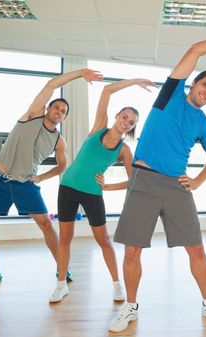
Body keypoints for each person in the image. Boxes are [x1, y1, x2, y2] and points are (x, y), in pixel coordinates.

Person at [107, 32, 206, 333]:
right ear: (193, 83)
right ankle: (130, 306)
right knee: (131, 251)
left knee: (196, 250)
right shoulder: (170, 96)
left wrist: (197, 181)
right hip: (143, 180)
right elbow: (194, 49)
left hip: (176, 188)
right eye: (205, 84)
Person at [0, 68, 104, 288]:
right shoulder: (31, 116)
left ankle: (62, 267)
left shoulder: (59, 141)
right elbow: (52, 84)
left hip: (25, 184)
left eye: (63, 111)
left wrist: (41, 178)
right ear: (48, 109)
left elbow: (63, 165)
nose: (59, 112)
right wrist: (80, 73)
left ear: (64, 118)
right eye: (56, 107)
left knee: (46, 225)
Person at [48, 78, 157, 303]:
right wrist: (136, 81)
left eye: (131, 122)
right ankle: (61, 284)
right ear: (117, 116)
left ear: (133, 127)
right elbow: (107, 90)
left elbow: (133, 181)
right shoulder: (99, 127)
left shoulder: (124, 150)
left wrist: (107, 187)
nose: (126, 122)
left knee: (104, 240)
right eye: (124, 117)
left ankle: (117, 284)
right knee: (65, 237)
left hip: (92, 193)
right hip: (68, 186)